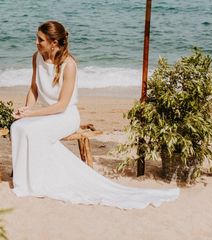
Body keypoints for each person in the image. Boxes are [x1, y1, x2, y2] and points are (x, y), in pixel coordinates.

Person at [10, 21, 179, 209]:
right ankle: (24, 179)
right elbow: (33, 89)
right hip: (46, 114)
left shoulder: (69, 65)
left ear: (54, 43)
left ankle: (39, 180)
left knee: (32, 132)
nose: (36, 42)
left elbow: (62, 105)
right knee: (17, 127)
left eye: (40, 39)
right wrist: (26, 110)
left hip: (65, 116)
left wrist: (33, 114)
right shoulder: (37, 57)